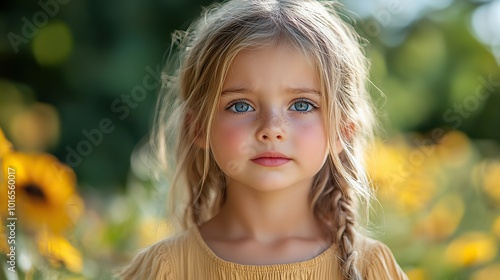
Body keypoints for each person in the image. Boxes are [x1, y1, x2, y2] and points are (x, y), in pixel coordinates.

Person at [119, 0, 408, 279]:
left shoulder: (370, 268)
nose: (271, 129)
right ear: (197, 128)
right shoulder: (166, 269)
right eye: (241, 105)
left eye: (302, 105)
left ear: (342, 132)